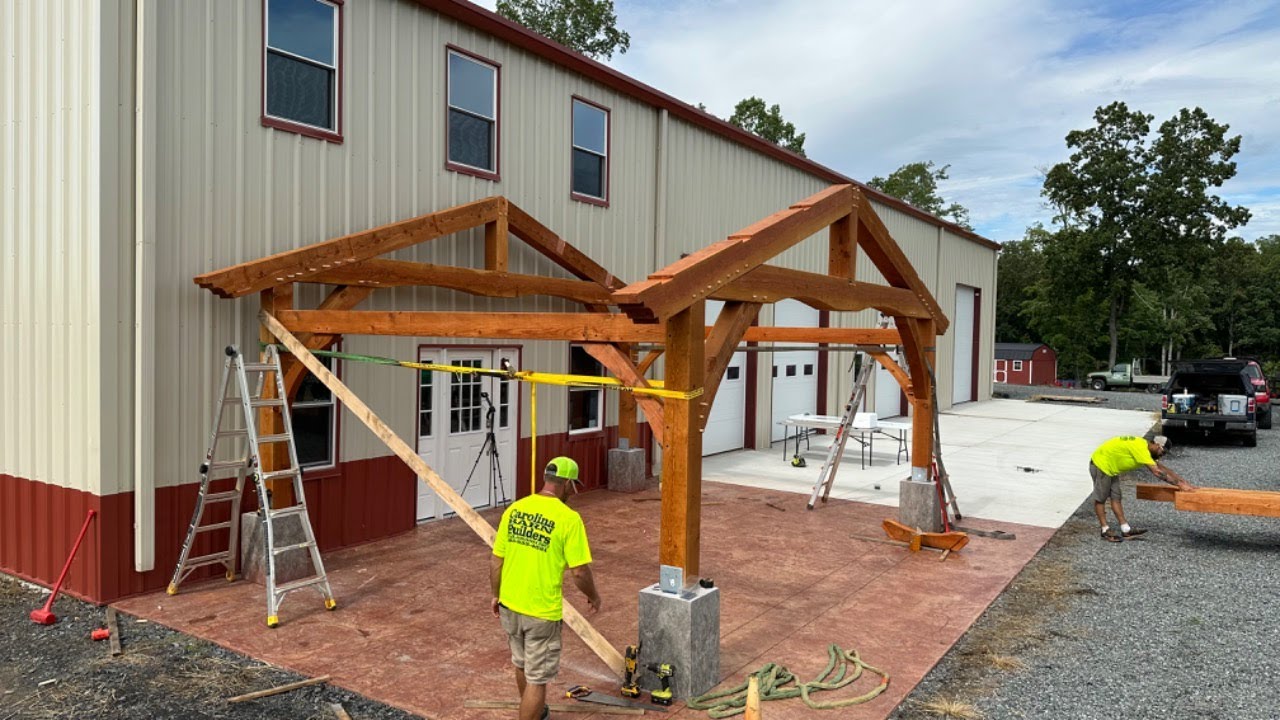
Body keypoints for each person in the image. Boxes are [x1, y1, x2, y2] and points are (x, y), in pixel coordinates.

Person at [491, 456, 601, 720]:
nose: (572, 493)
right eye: (572, 487)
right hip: (541, 611)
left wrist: (496, 594)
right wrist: (594, 596)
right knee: (538, 679)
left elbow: (496, 560)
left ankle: (534, 711)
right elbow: (579, 571)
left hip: (510, 603)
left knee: (521, 663)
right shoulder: (568, 519)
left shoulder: (516, 509)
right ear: (564, 484)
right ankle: (532, 712)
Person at [1088, 434, 1195, 542]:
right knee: (1101, 498)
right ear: (1157, 445)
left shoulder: (1145, 449)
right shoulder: (1141, 449)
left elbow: (1162, 467)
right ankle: (1104, 530)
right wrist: (1179, 485)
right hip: (1100, 465)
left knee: (1116, 497)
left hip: (1111, 467)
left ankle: (1125, 529)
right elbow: (1157, 472)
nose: (1162, 455)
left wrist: (1182, 481)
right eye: (1163, 452)